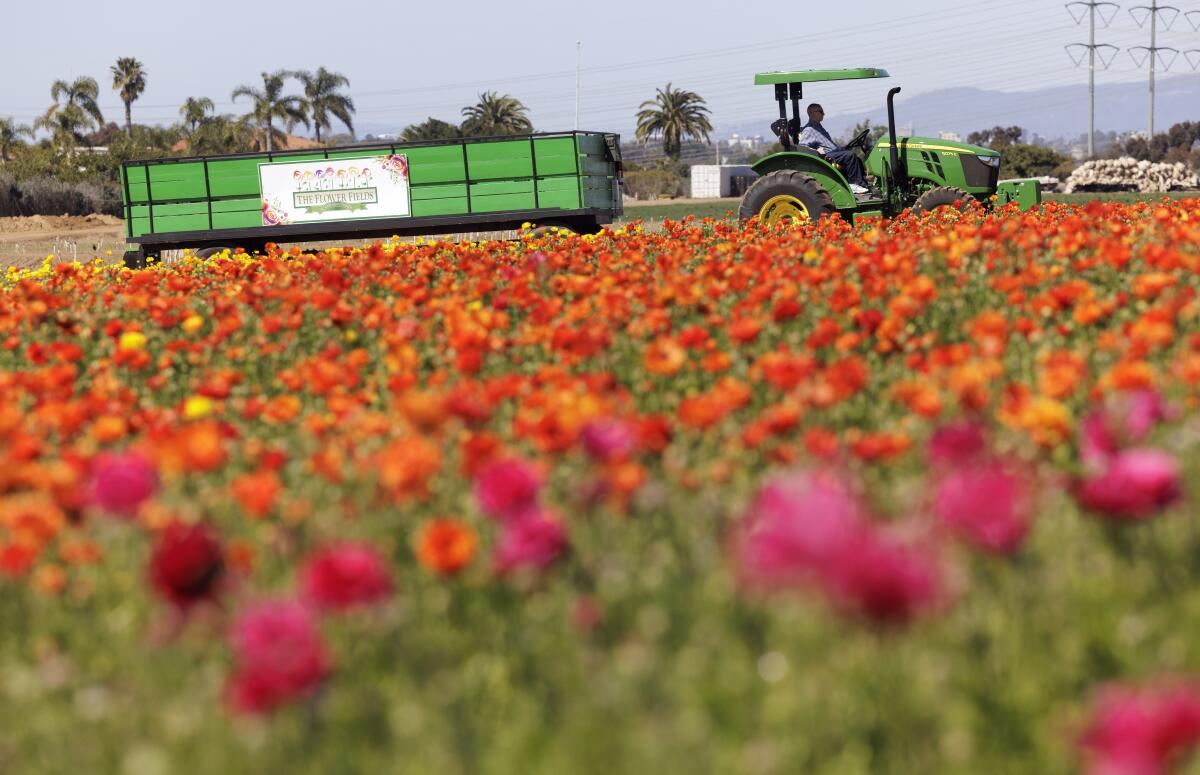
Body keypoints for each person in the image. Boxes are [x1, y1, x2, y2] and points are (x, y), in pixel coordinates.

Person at [798, 104, 871, 195]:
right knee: (850, 156)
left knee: (856, 158)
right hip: (826, 157)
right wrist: (817, 151)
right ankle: (855, 185)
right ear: (812, 113)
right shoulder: (809, 129)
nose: (823, 114)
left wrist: (842, 148)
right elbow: (802, 147)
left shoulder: (818, 127)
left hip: (834, 152)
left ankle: (863, 184)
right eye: (821, 112)